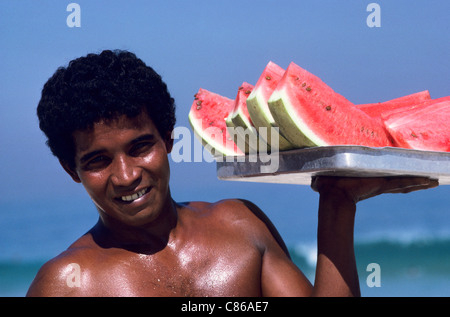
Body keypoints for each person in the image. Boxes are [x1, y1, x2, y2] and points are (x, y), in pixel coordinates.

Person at [26, 50, 438, 297]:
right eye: (97, 161)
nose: (126, 175)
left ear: (168, 140)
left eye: (140, 147)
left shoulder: (242, 228)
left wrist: (337, 200)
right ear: (72, 170)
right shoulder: (67, 283)